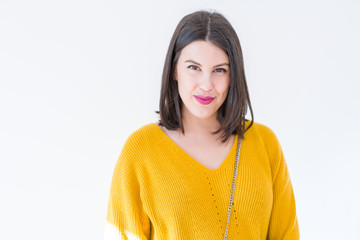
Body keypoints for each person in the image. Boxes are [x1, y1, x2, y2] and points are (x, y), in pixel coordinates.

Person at [105, 10, 299, 240]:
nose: (206, 85)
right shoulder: (141, 150)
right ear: (175, 70)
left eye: (219, 70)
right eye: (194, 68)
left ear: (232, 76)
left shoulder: (265, 144)